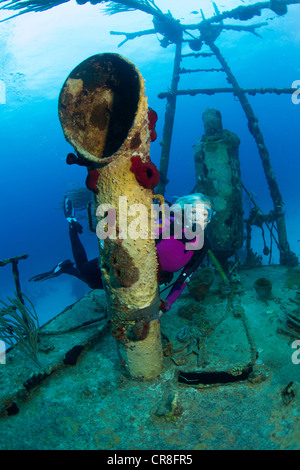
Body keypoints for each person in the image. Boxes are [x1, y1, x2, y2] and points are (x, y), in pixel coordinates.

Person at [30, 193, 214, 311]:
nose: (199, 218)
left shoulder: (201, 245)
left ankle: (66, 268)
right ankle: (71, 226)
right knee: (87, 276)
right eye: (195, 211)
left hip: (149, 279)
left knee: (94, 284)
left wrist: (168, 303)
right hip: (127, 263)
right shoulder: (166, 222)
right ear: (184, 208)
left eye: (206, 215)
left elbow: (184, 278)